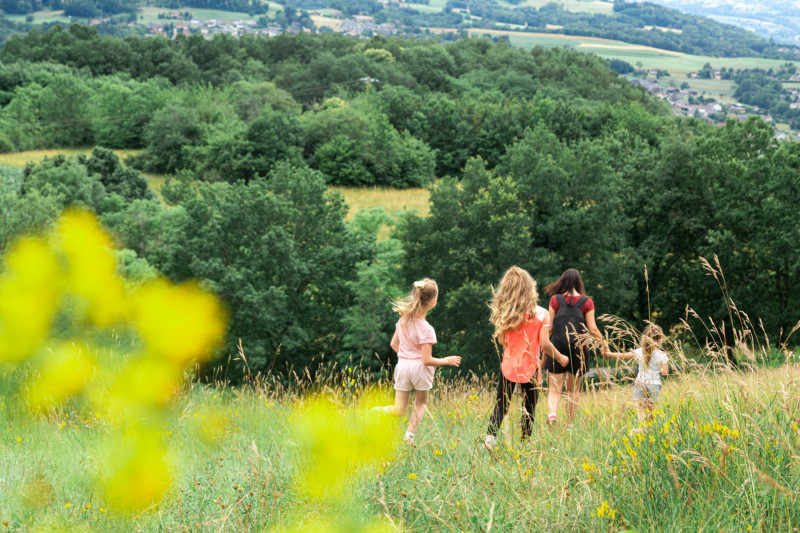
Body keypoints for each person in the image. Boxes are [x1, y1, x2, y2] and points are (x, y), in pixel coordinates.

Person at [484, 267, 567, 449]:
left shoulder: (506, 313)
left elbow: (501, 341)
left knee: (501, 404)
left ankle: (490, 439)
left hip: (509, 366)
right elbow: (545, 344)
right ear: (530, 288)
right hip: (531, 368)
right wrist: (560, 357)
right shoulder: (541, 313)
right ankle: (524, 444)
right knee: (529, 408)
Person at [375, 278, 461, 445]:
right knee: (420, 404)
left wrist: (406, 356)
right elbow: (427, 360)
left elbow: (394, 344)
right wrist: (446, 360)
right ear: (433, 302)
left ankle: (375, 412)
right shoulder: (427, 329)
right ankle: (409, 437)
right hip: (420, 369)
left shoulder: (403, 320)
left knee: (399, 410)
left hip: (402, 366)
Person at [542, 268, 604, 427]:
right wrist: (604, 343)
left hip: (556, 347)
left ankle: (552, 415)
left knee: (554, 389)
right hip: (579, 349)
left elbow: (549, 329)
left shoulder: (555, 300)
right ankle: (570, 424)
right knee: (572, 390)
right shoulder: (587, 302)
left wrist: (545, 349)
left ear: (562, 281)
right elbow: (593, 329)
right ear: (579, 283)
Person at [603, 324, 668, 426]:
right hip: (654, 384)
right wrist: (660, 368)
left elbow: (623, 356)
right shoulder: (662, 355)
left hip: (640, 383)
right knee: (651, 408)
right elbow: (665, 373)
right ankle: (651, 428)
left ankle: (642, 428)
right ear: (660, 339)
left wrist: (609, 354)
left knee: (641, 408)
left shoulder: (640, 351)